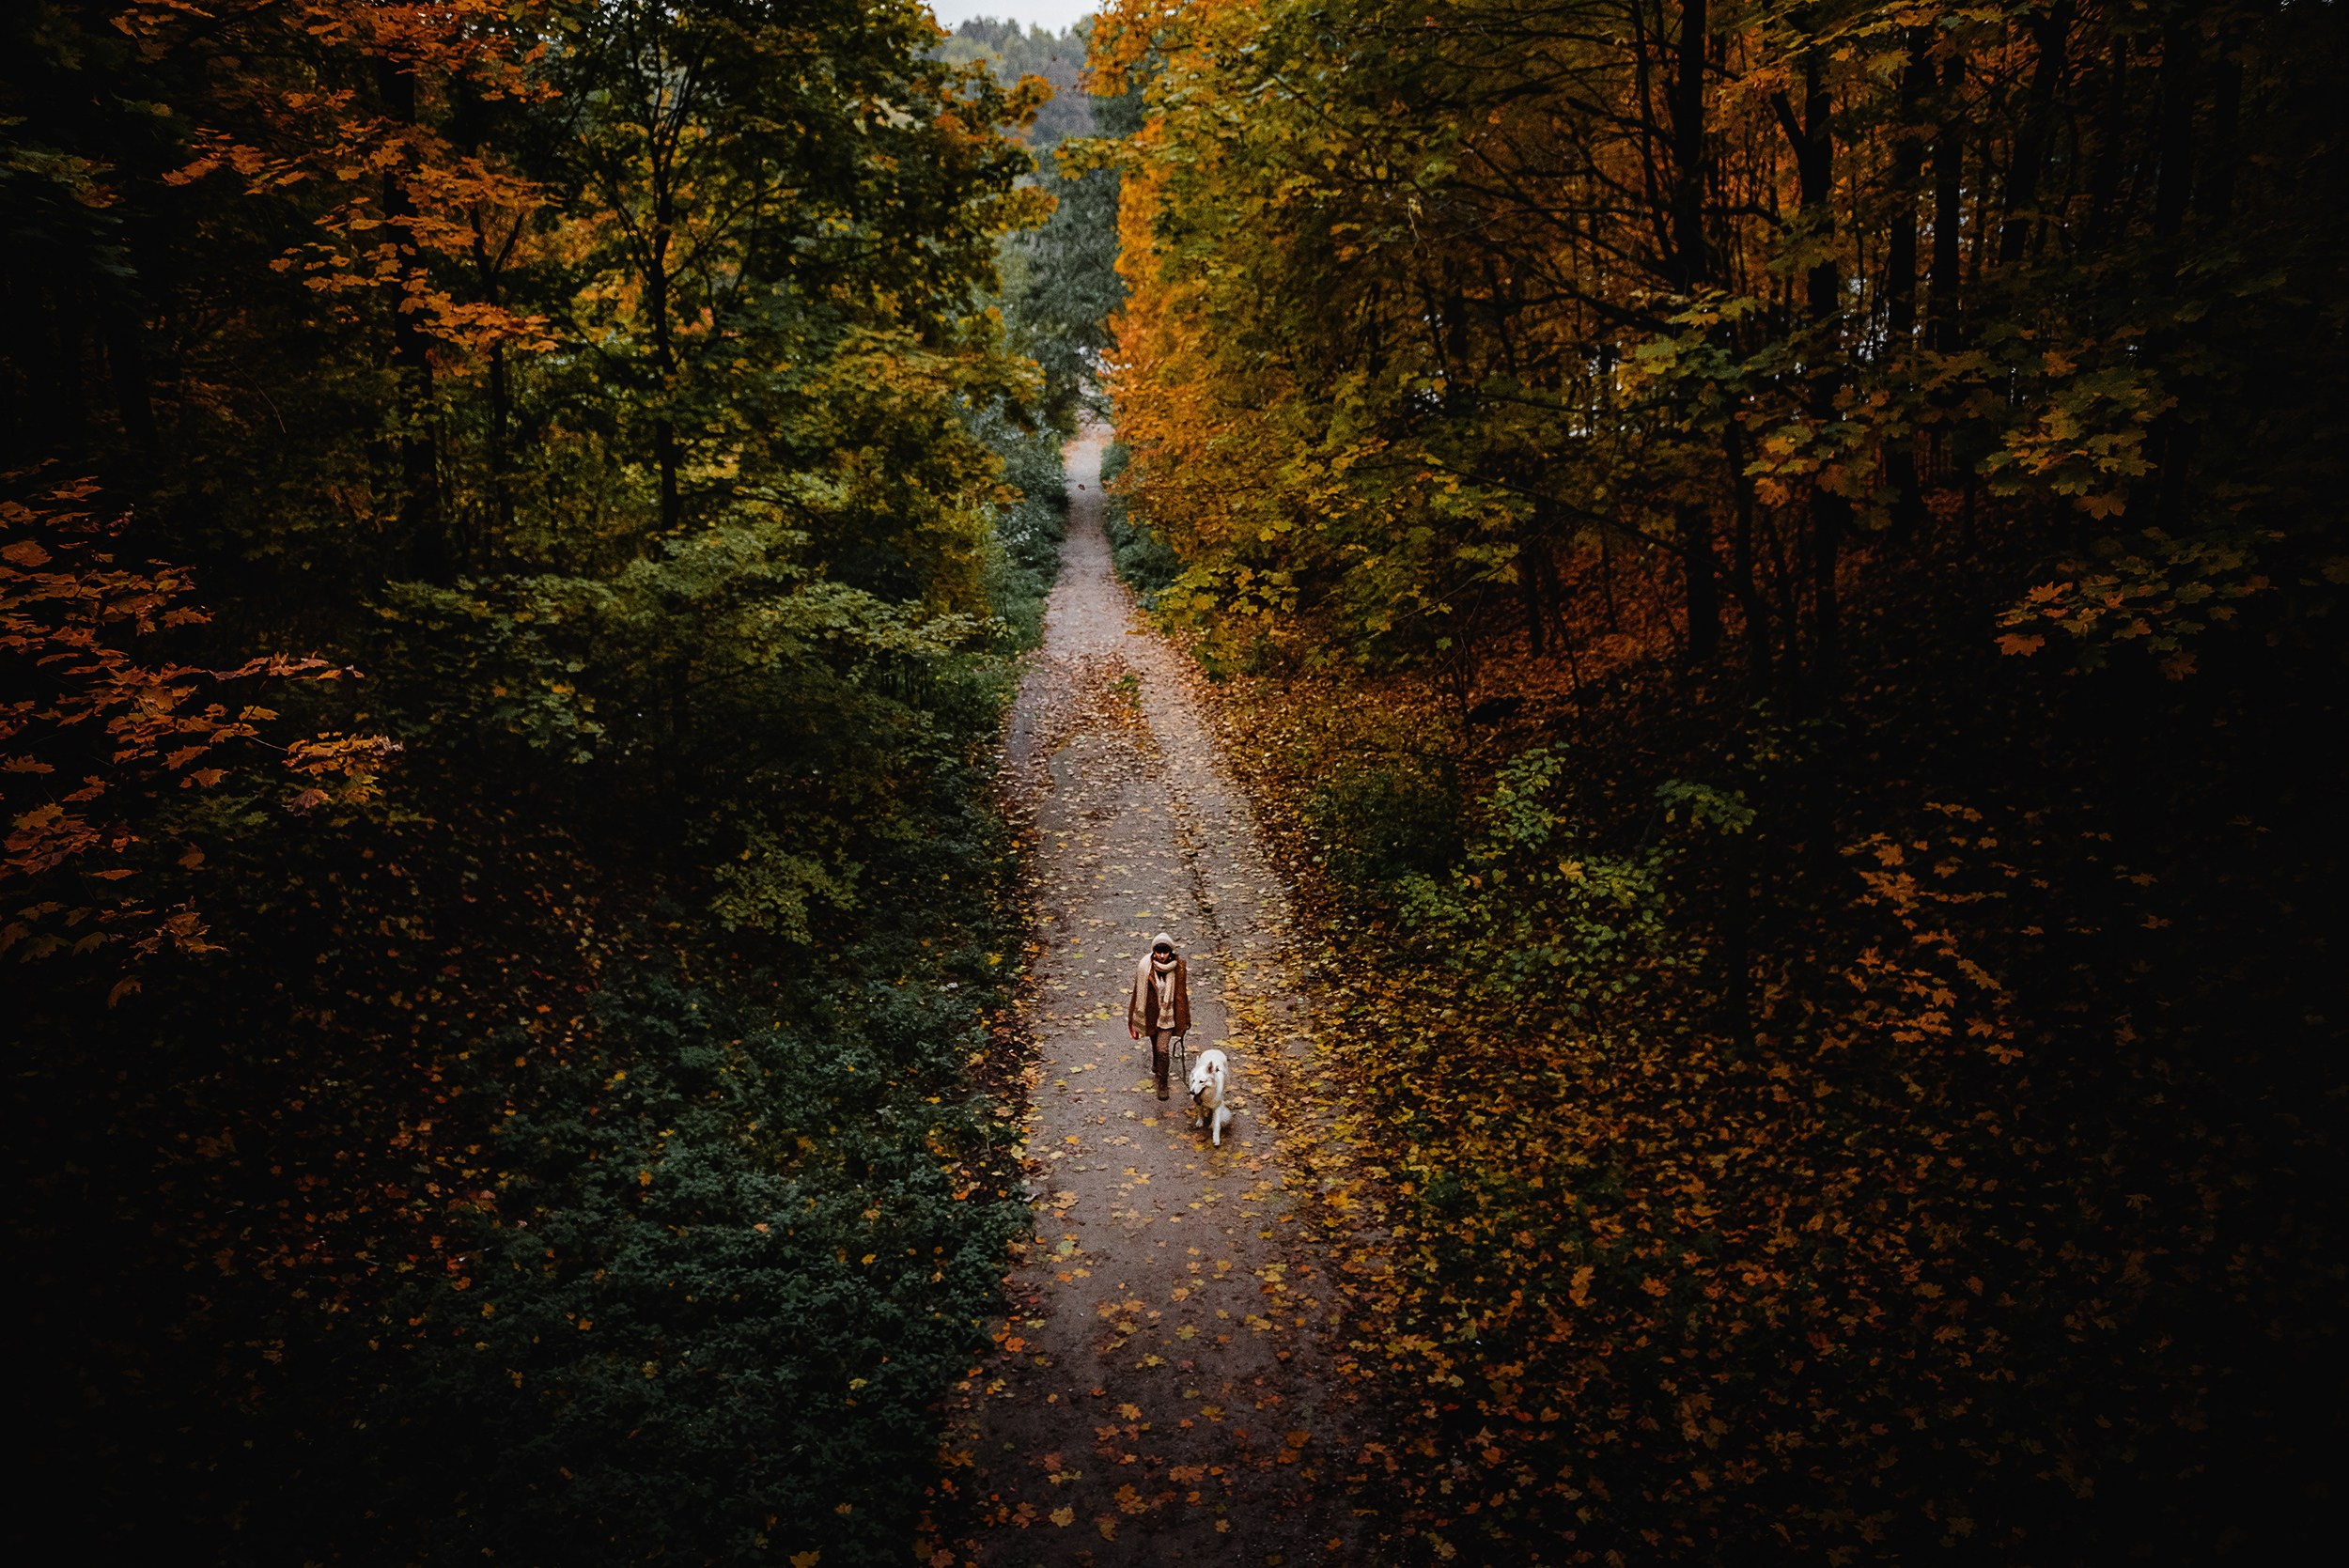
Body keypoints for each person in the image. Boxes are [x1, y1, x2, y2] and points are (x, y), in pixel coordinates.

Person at [1128, 931, 1191, 1100]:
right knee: (1154, 1041)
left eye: (1165, 952)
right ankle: (1156, 1064)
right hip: (1151, 1013)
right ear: (1153, 951)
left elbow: (1182, 996)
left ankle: (1163, 1083)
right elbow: (1136, 993)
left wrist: (1185, 1019)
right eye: (1158, 952)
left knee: (1162, 1048)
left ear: (1171, 952)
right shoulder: (1144, 967)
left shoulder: (1178, 968)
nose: (1162, 956)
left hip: (1169, 1016)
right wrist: (1132, 1016)